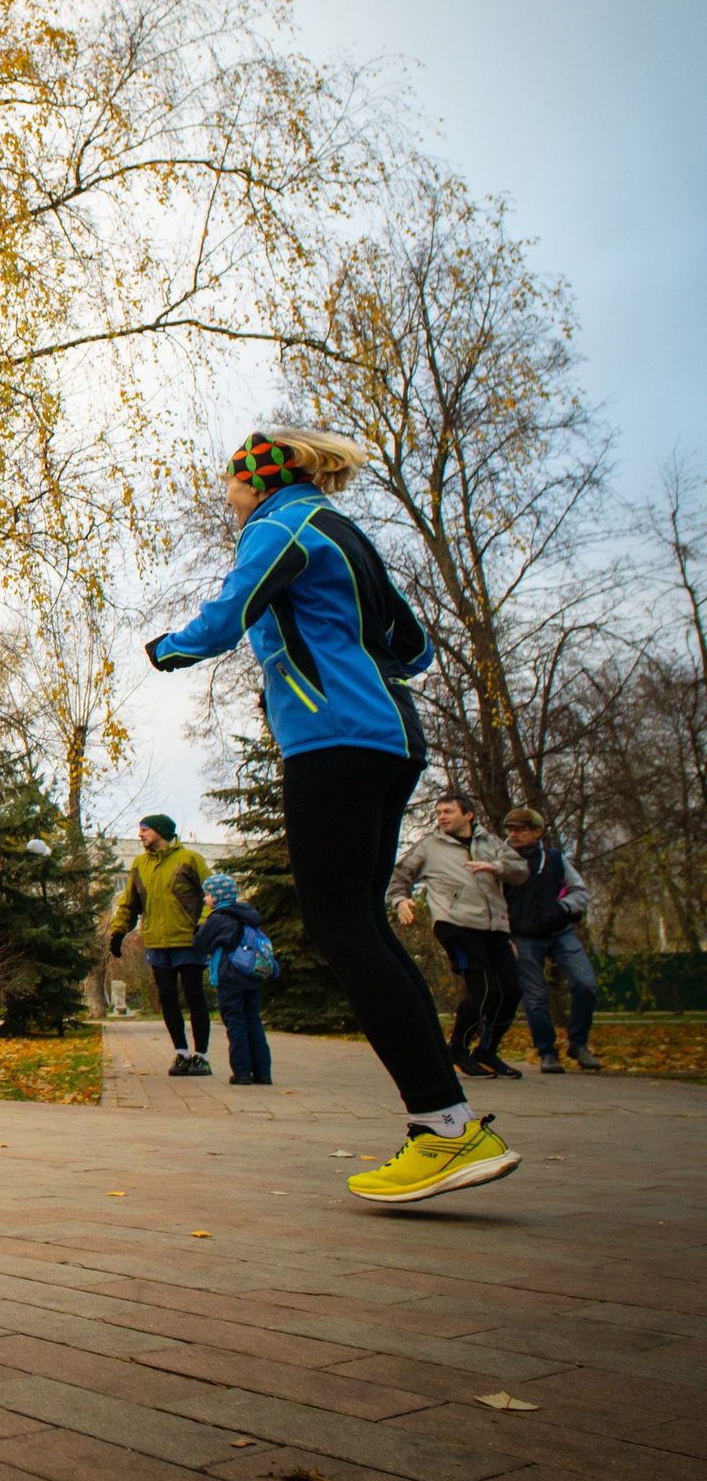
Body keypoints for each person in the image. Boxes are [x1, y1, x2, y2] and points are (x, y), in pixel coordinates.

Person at [148, 427, 520, 1204]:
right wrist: (347, 648)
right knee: (363, 924)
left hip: (333, 737)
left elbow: (225, 617)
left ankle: (444, 1125)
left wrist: (164, 649)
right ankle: (444, 1123)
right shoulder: (345, 533)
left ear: (258, 481)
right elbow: (414, 647)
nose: (231, 502)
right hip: (391, 737)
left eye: (233, 488)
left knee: (339, 925)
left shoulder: (279, 526)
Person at [389, 792, 530, 1079]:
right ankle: (457, 1049)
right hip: (454, 925)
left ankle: (487, 1050)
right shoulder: (430, 845)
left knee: (511, 991)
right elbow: (400, 875)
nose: (441, 816)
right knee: (483, 988)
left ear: (468, 815)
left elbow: (521, 871)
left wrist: (496, 867)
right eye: (439, 811)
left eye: (448, 811)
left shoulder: (490, 842)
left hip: (494, 927)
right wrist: (400, 900)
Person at [106, 816, 215, 1077]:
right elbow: (130, 903)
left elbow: (211, 894)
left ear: (161, 832)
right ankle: (182, 1053)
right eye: (140, 830)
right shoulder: (139, 865)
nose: (140, 835)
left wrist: (202, 925)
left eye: (145, 830)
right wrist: (119, 931)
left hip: (188, 940)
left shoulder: (190, 859)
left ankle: (201, 1056)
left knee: (194, 995)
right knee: (167, 998)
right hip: (155, 942)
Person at [500, 808, 599, 1073]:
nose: (514, 834)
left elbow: (580, 891)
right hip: (523, 937)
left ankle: (579, 1044)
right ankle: (547, 1052)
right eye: (510, 829)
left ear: (537, 832)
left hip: (560, 933)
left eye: (520, 829)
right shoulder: (501, 861)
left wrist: (563, 907)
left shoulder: (554, 859)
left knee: (585, 984)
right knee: (535, 998)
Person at [196, 872, 272, 1085]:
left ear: (218, 896)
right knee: (253, 1022)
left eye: (208, 894)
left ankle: (241, 1073)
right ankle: (263, 1073)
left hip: (229, 977)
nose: (205, 899)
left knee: (235, 1023)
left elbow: (201, 943)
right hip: (251, 975)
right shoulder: (246, 914)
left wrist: (198, 930)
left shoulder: (218, 918)